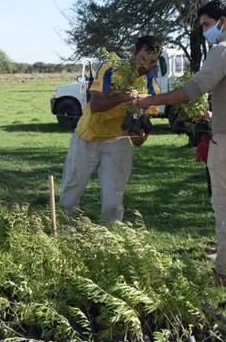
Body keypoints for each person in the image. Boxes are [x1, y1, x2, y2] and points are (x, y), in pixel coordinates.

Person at [137, 1, 226, 287]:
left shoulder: (224, 49)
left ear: (222, 21)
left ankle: (225, 271)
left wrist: (149, 101)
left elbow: (193, 89)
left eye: (206, 24)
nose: (204, 30)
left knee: (225, 205)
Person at [59, 36, 162, 222]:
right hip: (88, 137)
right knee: (72, 188)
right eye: (143, 58)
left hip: (118, 142)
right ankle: (64, 230)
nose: (146, 65)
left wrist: (140, 131)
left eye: (153, 61)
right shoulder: (110, 68)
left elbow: (138, 141)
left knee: (114, 197)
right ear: (133, 52)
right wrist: (123, 97)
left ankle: (112, 235)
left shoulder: (152, 88)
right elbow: (96, 104)